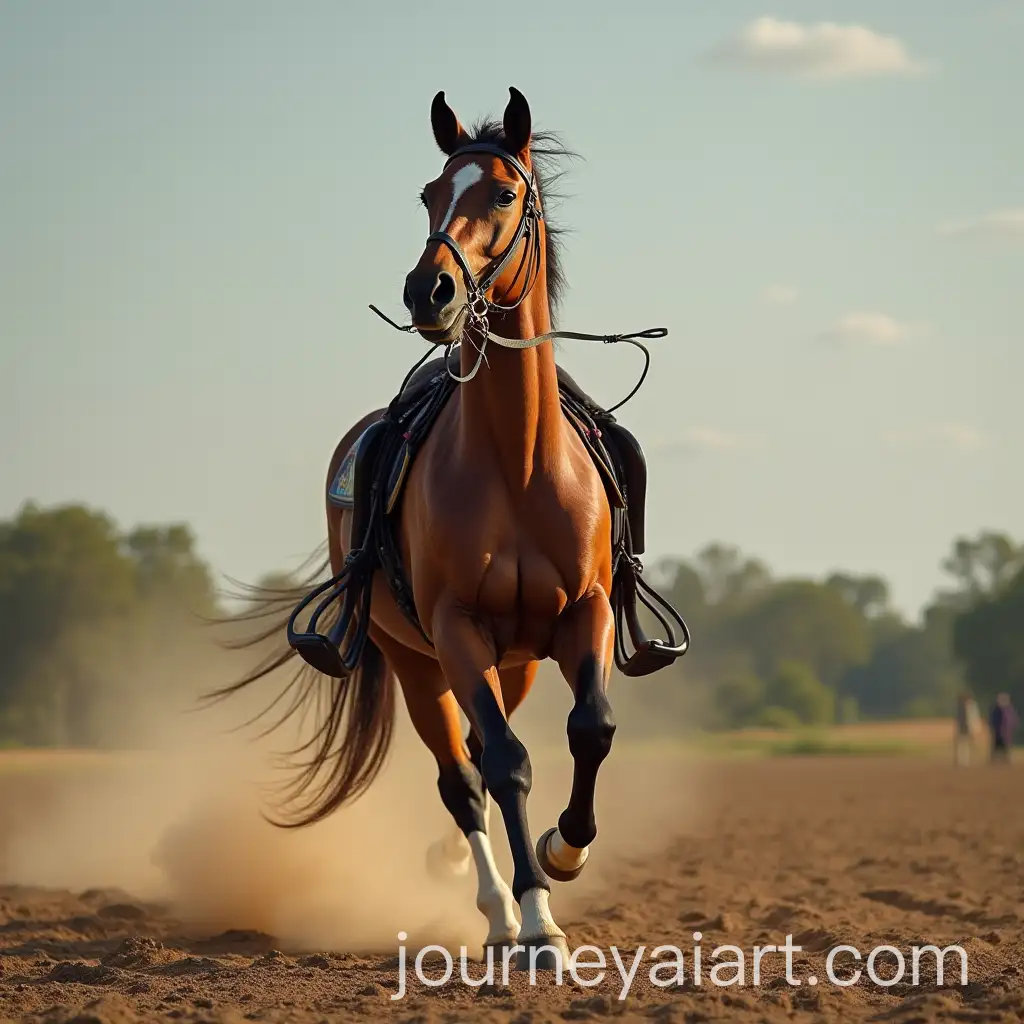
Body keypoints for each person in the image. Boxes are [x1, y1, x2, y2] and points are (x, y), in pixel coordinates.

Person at [989, 693, 1018, 764]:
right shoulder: (997, 710)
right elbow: (993, 720)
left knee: (1006, 746)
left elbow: (1011, 720)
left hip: (1005, 731)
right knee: (997, 746)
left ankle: (1007, 759)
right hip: (998, 731)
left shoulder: (1008, 710)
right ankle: (995, 760)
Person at [954, 691, 981, 766]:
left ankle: (965, 760)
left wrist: (975, 728)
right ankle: (963, 760)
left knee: (965, 744)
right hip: (963, 728)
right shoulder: (962, 707)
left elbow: (973, 718)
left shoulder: (970, 707)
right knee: (962, 744)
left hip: (968, 727)